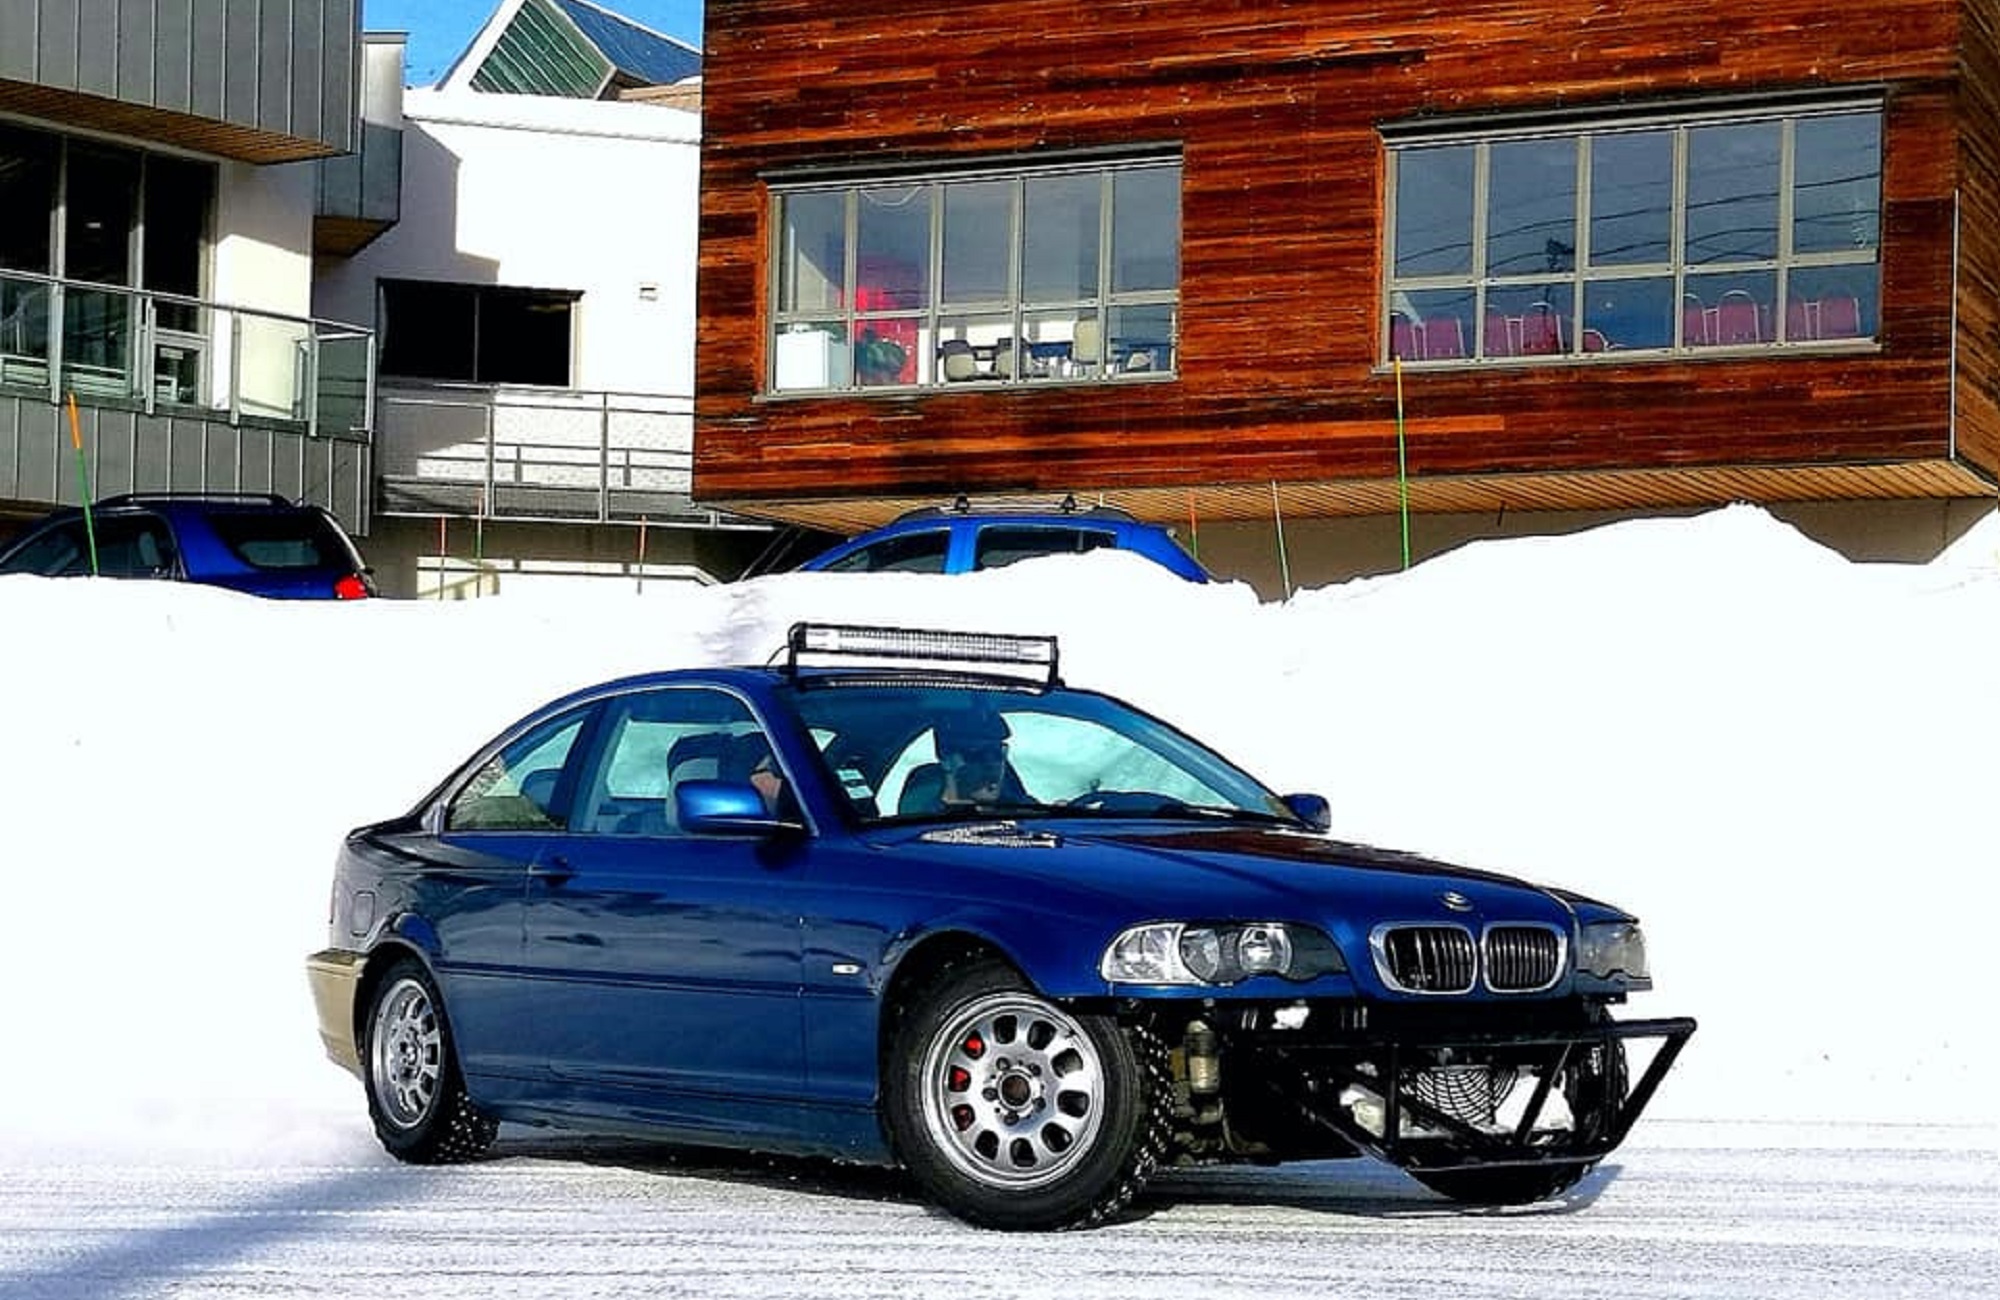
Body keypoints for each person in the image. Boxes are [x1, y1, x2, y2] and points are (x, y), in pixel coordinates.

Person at [900, 706, 1024, 814]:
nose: (992, 764)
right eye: (977, 754)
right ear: (946, 758)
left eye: (997, 753)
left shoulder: (1028, 817)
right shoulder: (914, 823)